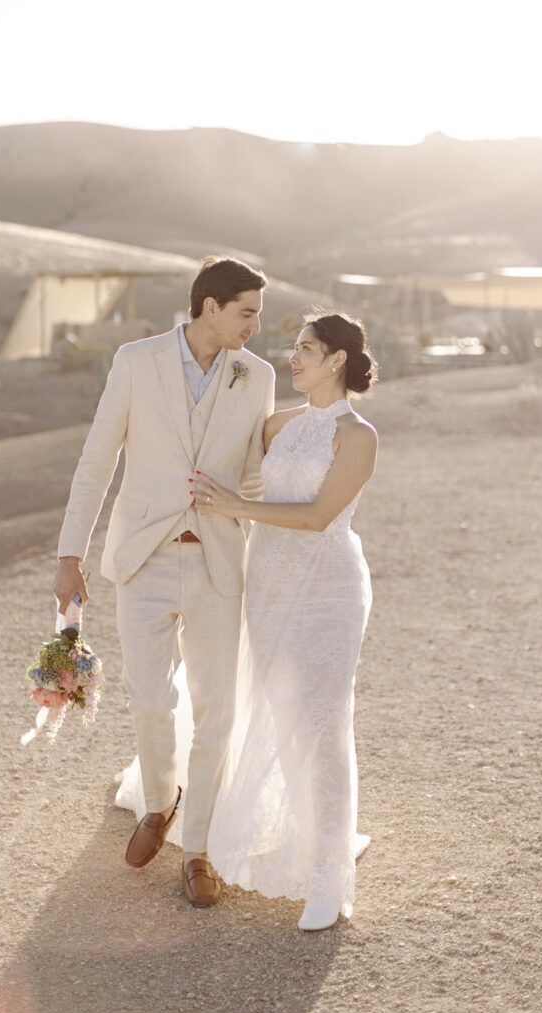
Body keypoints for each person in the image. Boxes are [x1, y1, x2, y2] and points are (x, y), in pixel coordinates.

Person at [53, 256, 275, 907]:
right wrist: (72, 554)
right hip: (145, 560)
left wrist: (265, 557)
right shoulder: (135, 361)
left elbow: (255, 478)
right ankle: (159, 804)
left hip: (218, 565)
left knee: (217, 711)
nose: (256, 327)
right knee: (149, 698)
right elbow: (98, 460)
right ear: (208, 306)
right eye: (247, 312)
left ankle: (199, 850)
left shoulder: (254, 375)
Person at [192, 311, 378, 930]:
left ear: (338, 361)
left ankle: (330, 879)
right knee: (285, 712)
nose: (292, 359)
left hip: (329, 589)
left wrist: (237, 506)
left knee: (323, 722)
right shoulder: (275, 425)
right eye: (293, 348)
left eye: (306, 349)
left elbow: (320, 515)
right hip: (268, 582)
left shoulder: (357, 437)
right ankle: (317, 837)